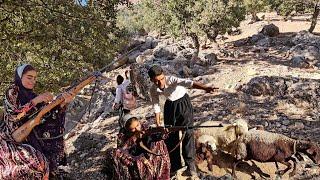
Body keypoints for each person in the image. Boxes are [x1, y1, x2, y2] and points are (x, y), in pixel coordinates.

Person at [1, 64, 75, 179]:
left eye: (35, 78)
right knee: (36, 164)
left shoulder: (33, 95)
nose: (33, 81)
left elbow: (47, 116)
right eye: (29, 77)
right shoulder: (12, 91)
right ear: (20, 77)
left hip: (32, 136)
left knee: (46, 163)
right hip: (10, 139)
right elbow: (14, 115)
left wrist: (63, 103)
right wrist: (36, 101)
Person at [147, 64, 217, 177]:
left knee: (187, 134)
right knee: (170, 135)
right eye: (156, 81)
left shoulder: (172, 79)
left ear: (164, 75)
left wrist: (205, 88)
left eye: (161, 79)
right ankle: (175, 166)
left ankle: (191, 166)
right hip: (169, 107)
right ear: (151, 80)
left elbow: (189, 83)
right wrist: (159, 123)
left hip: (183, 104)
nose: (160, 83)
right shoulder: (153, 89)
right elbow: (156, 106)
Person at [104, 115, 170, 180]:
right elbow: (123, 151)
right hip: (138, 164)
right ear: (127, 129)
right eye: (133, 128)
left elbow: (156, 137)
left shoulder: (145, 128)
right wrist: (139, 158)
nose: (137, 129)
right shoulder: (123, 137)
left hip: (155, 160)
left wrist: (163, 133)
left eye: (138, 125)